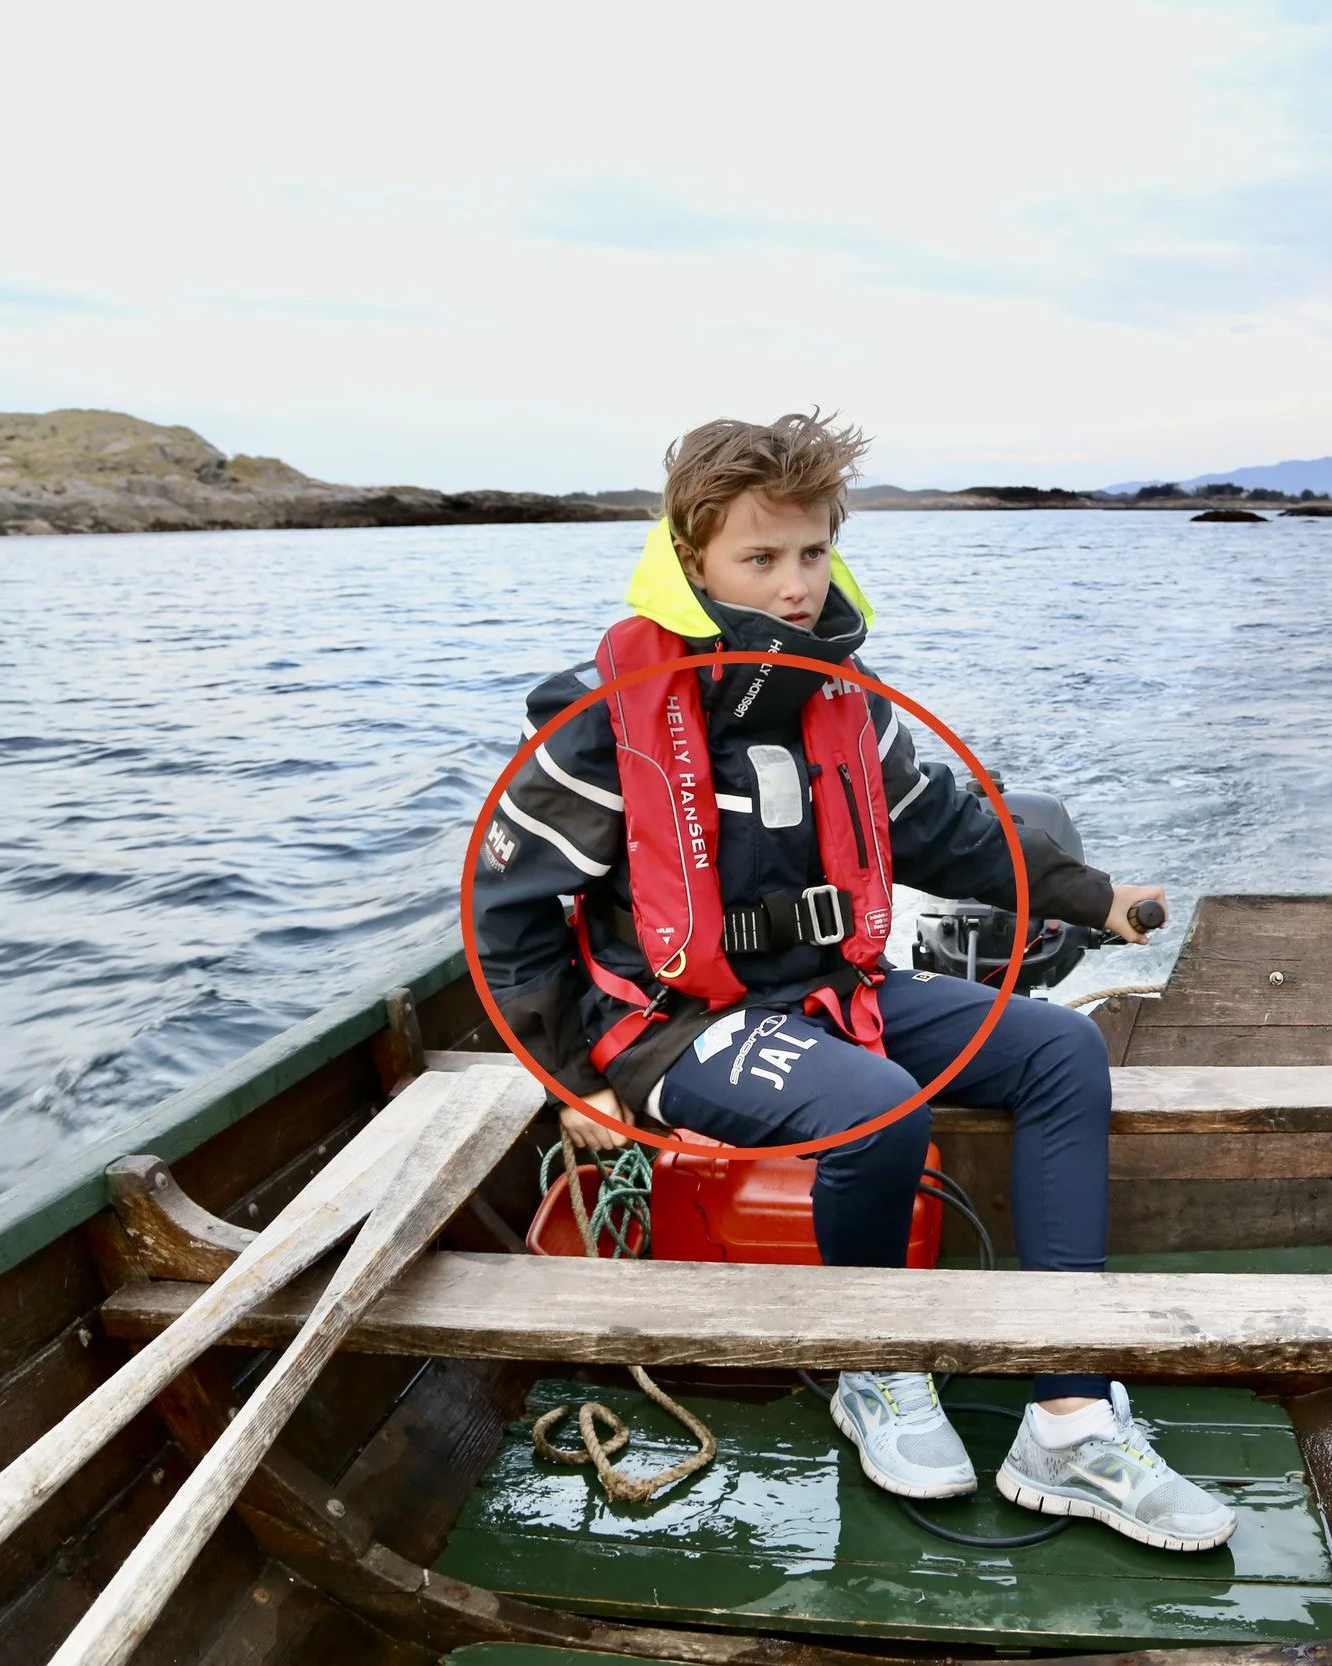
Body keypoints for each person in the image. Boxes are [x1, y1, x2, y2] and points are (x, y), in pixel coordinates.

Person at [471, 411, 1236, 1551]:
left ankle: (1069, 1415)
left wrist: (1091, 897)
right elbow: (507, 914)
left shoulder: (844, 701)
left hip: (838, 994)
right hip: (674, 1030)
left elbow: (948, 833)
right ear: (690, 560)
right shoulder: (598, 726)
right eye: (759, 557)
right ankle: (873, 1365)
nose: (792, 586)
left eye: (813, 553)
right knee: (880, 1110)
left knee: (1059, 1049)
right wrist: (579, 1083)